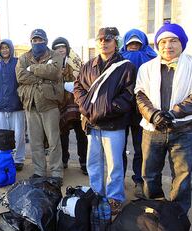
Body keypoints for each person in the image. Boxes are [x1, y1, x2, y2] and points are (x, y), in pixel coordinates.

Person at [74, 27, 136, 215]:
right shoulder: (87, 65)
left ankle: (115, 197)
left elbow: (128, 95)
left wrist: (105, 110)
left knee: (114, 164)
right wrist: (85, 109)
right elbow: (78, 88)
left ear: (115, 42)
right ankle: (96, 193)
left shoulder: (126, 66)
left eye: (108, 39)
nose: (103, 42)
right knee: (93, 162)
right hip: (92, 124)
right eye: (100, 38)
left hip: (113, 124)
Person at [135, 23, 192, 214]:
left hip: (183, 130)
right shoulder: (146, 68)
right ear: (157, 45)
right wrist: (154, 115)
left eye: (173, 40)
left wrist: (173, 113)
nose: (168, 45)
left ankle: (177, 216)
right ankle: (155, 211)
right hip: (152, 131)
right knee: (149, 175)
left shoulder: (191, 65)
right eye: (163, 41)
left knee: (182, 176)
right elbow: (140, 94)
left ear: (182, 43)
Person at [16, 29, 64, 181]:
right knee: (35, 142)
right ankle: (39, 171)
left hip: (49, 104)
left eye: (40, 40)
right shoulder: (24, 57)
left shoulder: (55, 55)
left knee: (53, 141)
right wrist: (42, 78)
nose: (37, 43)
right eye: (34, 40)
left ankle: (56, 172)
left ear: (46, 41)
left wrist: (32, 69)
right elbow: (20, 76)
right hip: (31, 104)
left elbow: (55, 72)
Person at [120, 29, 157, 197]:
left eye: (137, 44)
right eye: (130, 44)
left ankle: (139, 181)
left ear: (143, 44)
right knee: (118, 148)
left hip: (141, 111)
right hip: (120, 110)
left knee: (140, 148)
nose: (134, 47)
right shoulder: (118, 59)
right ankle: (118, 179)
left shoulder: (153, 59)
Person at [0, 39, 26, 171]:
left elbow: (25, 82)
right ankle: (5, 157)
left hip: (16, 106)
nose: (5, 50)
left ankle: (18, 159)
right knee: (2, 135)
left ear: (11, 49)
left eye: (7, 48)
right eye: (2, 48)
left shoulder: (18, 63)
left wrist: (22, 98)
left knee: (19, 135)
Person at [52, 37, 88, 175]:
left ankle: (84, 162)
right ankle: (64, 160)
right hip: (60, 104)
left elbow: (83, 81)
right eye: (57, 47)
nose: (60, 50)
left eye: (62, 47)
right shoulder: (51, 63)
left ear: (67, 48)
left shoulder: (76, 62)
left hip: (78, 103)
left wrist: (65, 85)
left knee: (81, 134)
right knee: (62, 134)